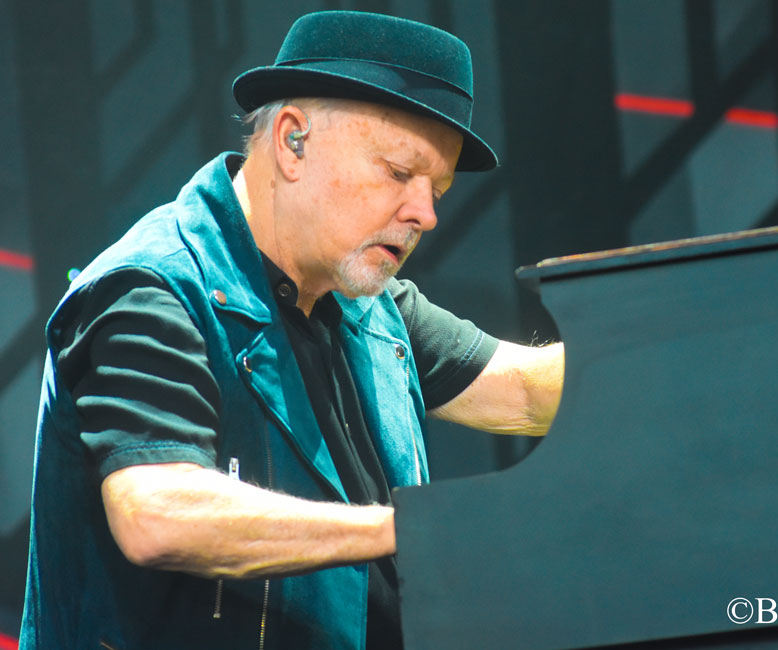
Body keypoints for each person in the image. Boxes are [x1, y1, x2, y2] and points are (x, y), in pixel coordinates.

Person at [19, 11, 563, 650]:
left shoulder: (372, 304)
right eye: (398, 173)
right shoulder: (151, 288)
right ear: (292, 139)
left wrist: (685, 339)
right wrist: (412, 532)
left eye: (436, 188)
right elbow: (158, 514)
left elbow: (527, 391)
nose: (426, 214)